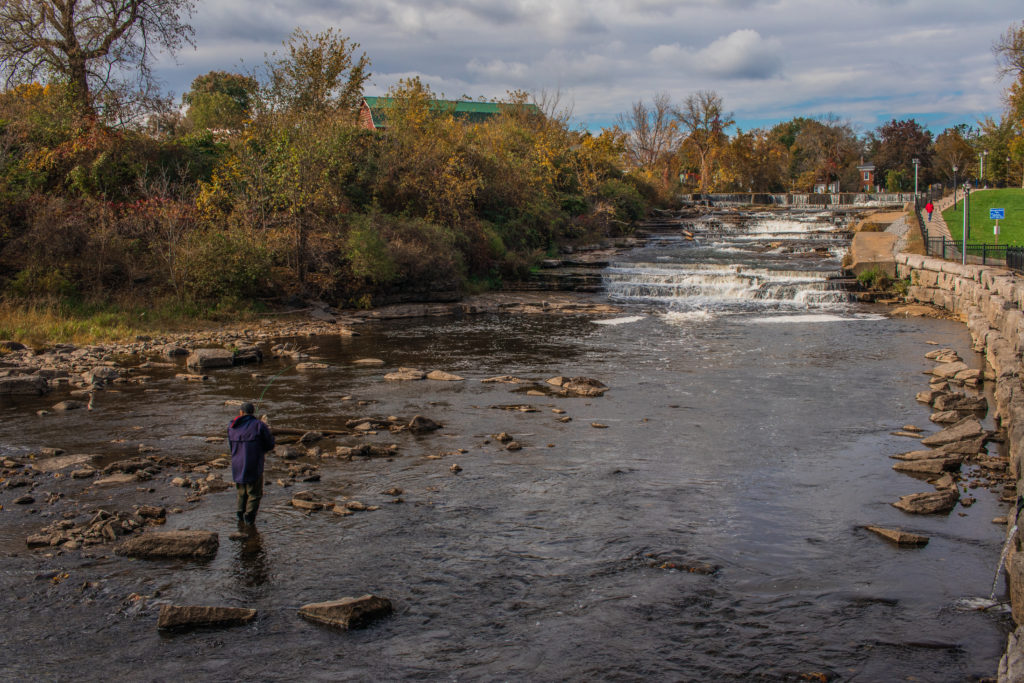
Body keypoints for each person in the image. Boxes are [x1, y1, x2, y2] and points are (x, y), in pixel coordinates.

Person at [228, 402, 275, 526]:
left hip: (237, 464)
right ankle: (249, 518)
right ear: (252, 412)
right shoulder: (259, 425)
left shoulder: (232, 426)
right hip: (253, 463)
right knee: (254, 493)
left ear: (241, 412)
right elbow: (270, 445)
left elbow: (231, 446)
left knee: (241, 492)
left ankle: (240, 516)